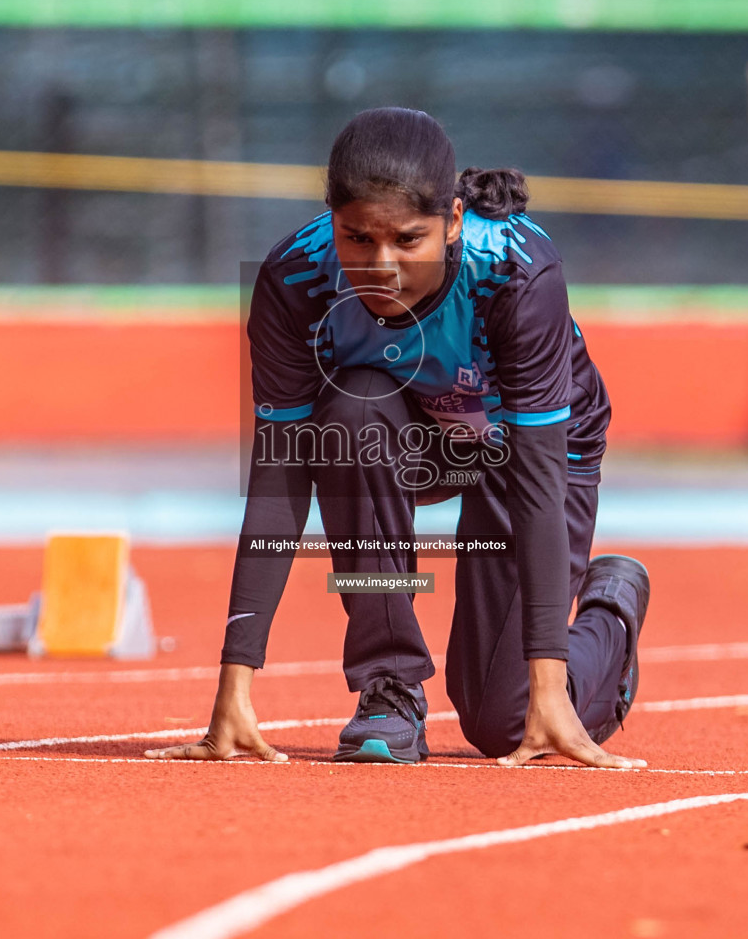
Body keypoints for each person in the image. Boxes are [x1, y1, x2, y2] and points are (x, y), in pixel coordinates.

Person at [147, 107, 651, 768]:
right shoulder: (295, 280)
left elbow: (536, 484)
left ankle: (611, 607)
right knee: (351, 412)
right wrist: (233, 686)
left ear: (454, 223)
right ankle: (389, 688)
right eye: (357, 239)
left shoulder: (517, 274)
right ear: (332, 223)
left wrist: (548, 683)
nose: (381, 266)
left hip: (527, 449)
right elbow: (281, 479)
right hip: (406, 429)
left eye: (408, 241)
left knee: (505, 720)